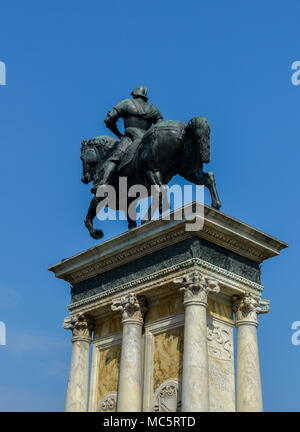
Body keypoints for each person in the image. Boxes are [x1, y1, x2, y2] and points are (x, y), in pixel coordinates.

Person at [92, 86, 163, 192]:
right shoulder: (153, 108)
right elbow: (160, 126)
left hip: (130, 136)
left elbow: (109, 120)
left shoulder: (126, 103)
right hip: (146, 138)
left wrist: (118, 134)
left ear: (134, 93)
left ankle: (103, 182)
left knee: (115, 157)